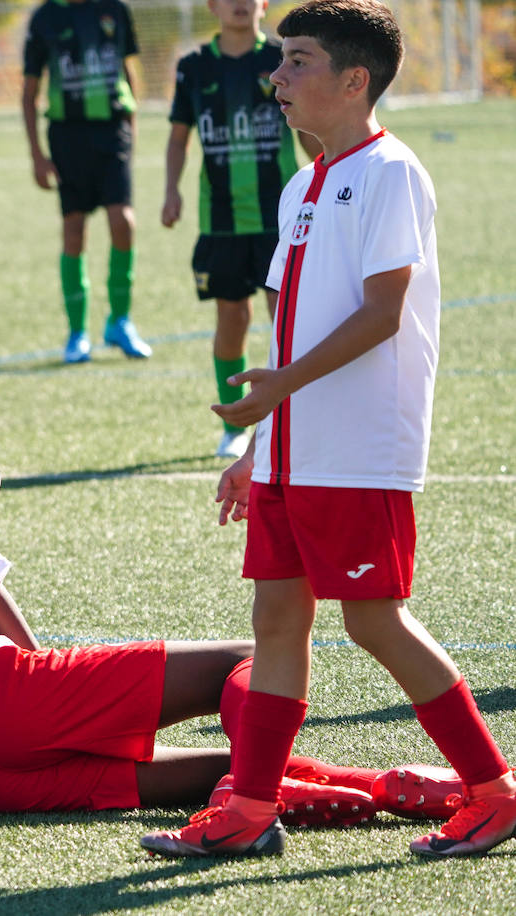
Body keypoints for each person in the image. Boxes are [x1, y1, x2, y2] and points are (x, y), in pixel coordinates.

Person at [143, 0, 516, 859]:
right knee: (277, 617)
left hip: (356, 445)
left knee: (372, 620)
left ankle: (493, 790)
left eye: (297, 61)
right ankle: (249, 810)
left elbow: (383, 313)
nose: (276, 77)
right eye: (279, 60)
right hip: (295, 445)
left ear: (355, 81)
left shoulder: (391, 173)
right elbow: (288, 333)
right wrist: (255, 443)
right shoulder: (302, 184)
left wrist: (281, 391)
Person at [0, 439, 443, 823]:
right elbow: (25, 650)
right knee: (244, 657)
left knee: (202, 777)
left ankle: (373, 787)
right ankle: (300, 792)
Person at [161, 0, 323, 459]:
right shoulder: (193, 67)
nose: (238, 3)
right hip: (222, 219)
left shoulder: (282, 58)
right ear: (212, 6)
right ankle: (235, 420)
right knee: (232, 318)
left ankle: (292, 415)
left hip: (280, 216)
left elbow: (306, 129)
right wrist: (171, 190)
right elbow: (178, 138)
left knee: (285, 320)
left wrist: (330, 178)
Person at [22, 0, 151, 364]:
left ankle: (120, 321)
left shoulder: (115, 10)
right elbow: (29, 93)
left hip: (113, 131)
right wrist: (37, 154)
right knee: (74, 230)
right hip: (67, 136)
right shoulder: (46, 17)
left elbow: (128, 72)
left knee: (123, 222)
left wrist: (133, 130)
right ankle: (77, 332)